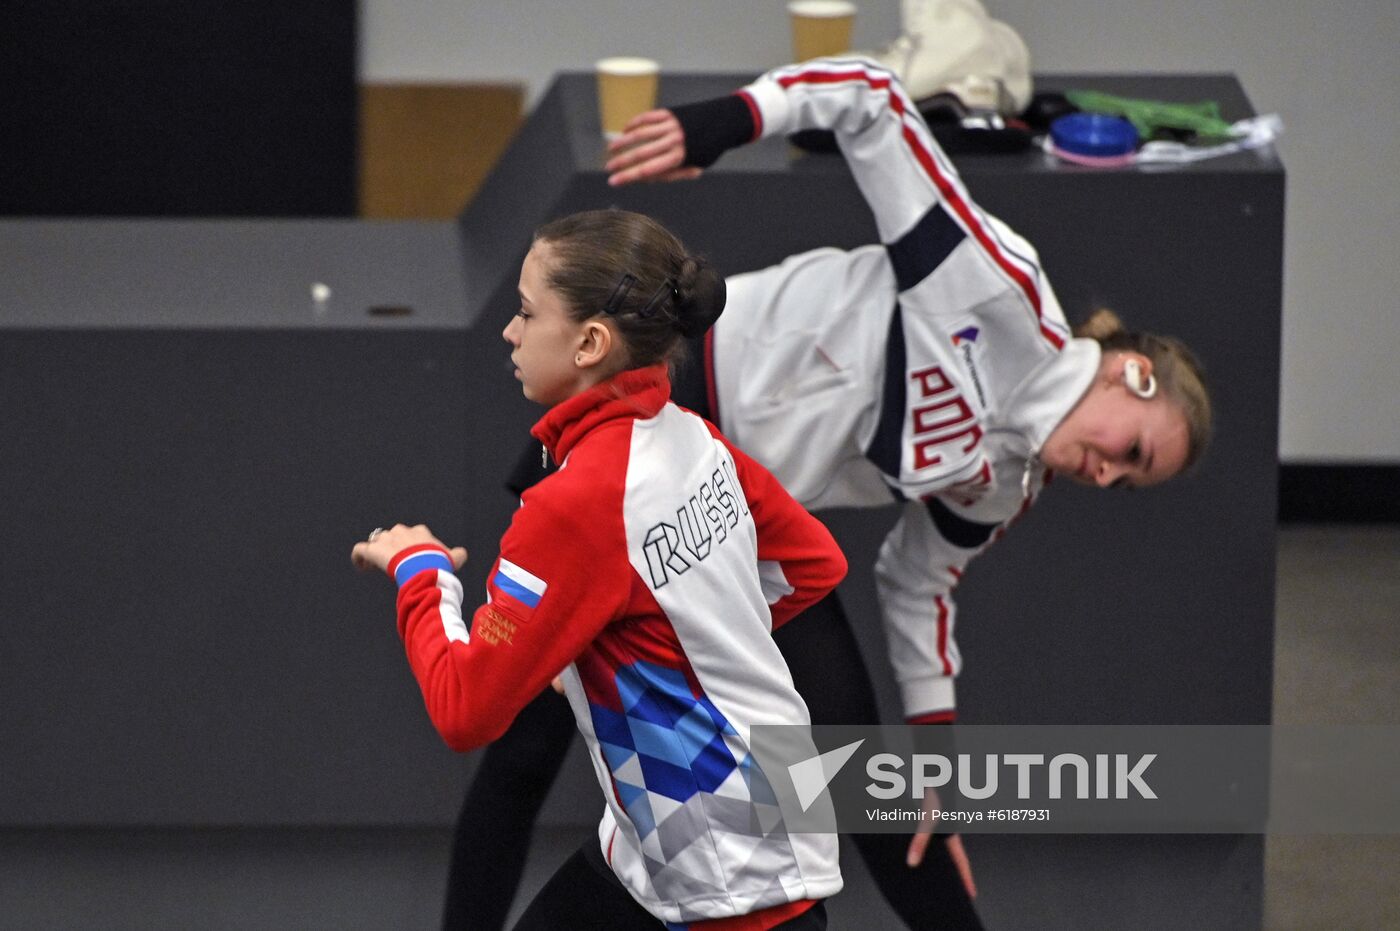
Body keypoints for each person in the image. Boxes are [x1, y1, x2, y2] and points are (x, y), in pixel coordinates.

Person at [445, 58, 1212, 930]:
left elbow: (920, 585)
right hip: (657, 410)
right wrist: (725, 122)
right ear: (1132, 373)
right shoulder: (999, 292)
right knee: (527, 736)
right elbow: (870, 99)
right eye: (1130, 449)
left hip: (733, 520)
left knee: (872, 773)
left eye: (1127, 481)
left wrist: (936, 755)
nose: (1105, 474)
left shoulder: (1007, 481)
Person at [353, 208, 848, 930]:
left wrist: (420, 572)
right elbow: (813, 563)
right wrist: (651, 643)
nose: (510, 332)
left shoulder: (573, 504)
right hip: (692, 835)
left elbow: (466, 707)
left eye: (526, 312)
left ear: (590, 341)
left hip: (730, 874)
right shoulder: (694, 437)